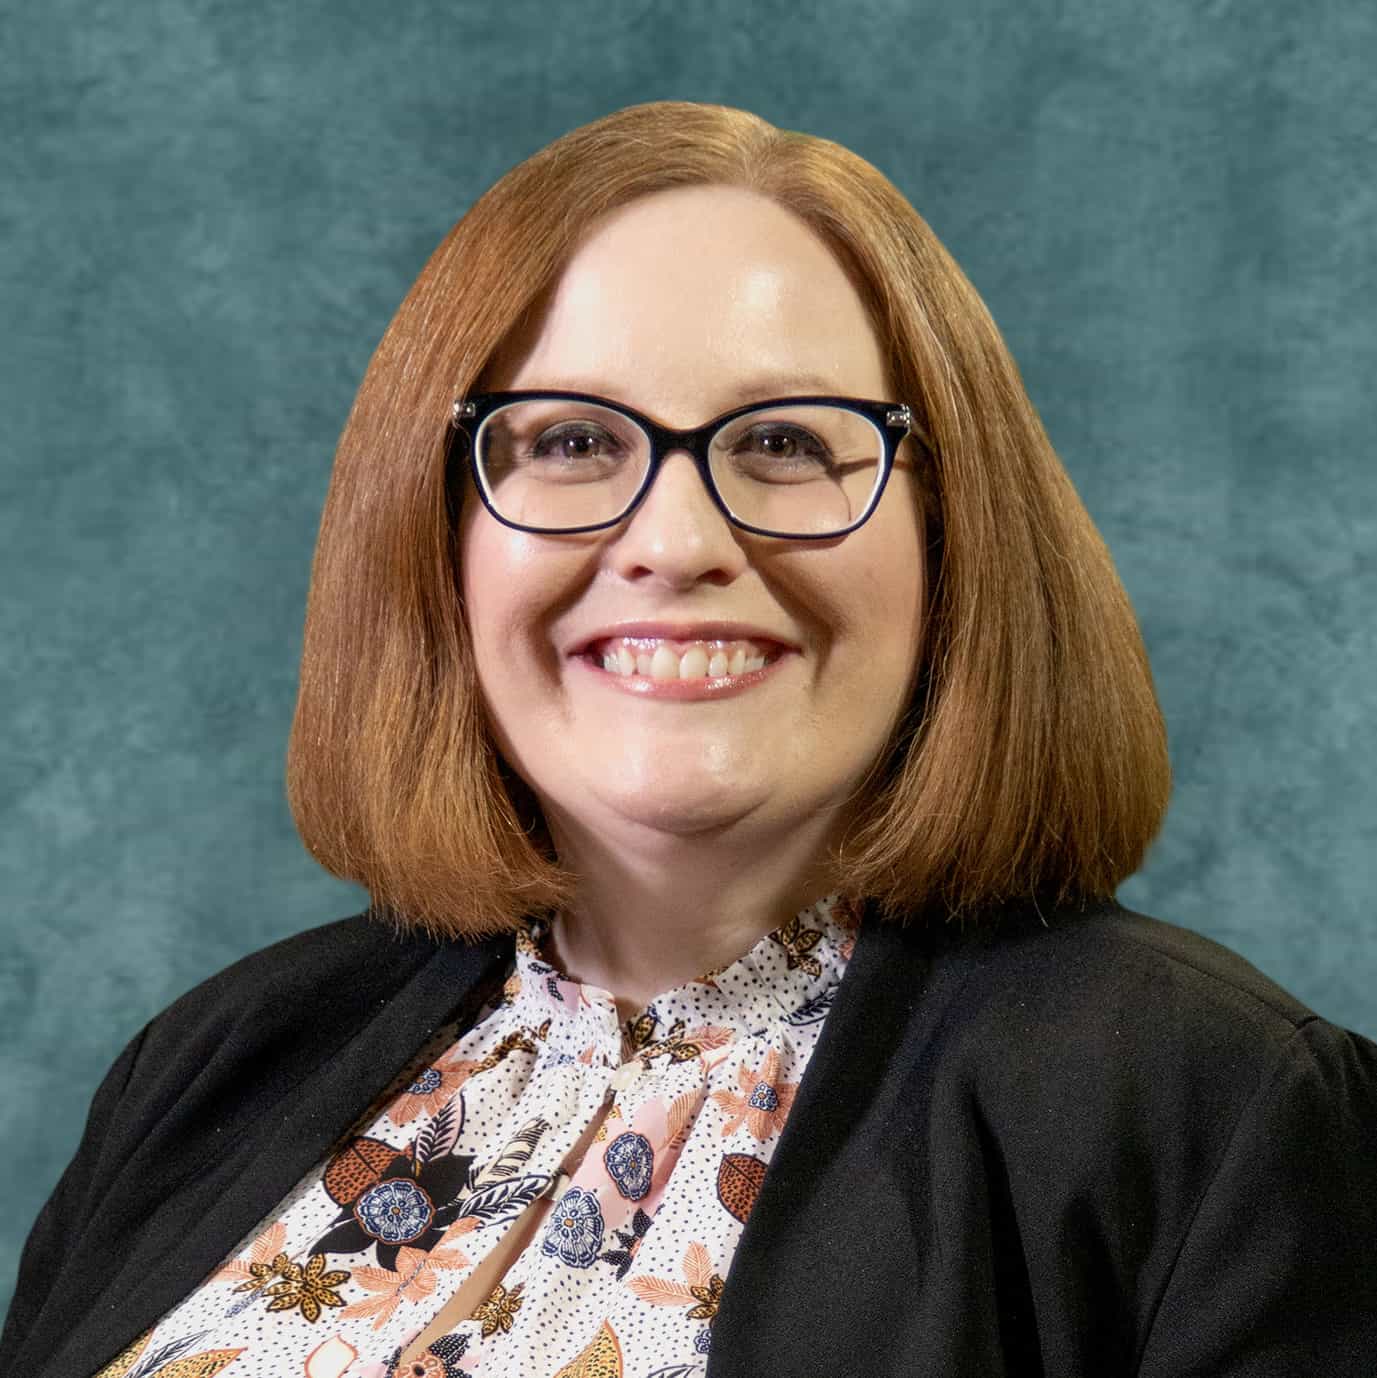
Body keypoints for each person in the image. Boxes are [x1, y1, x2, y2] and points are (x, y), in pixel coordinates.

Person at [3, 99, 1374, 1378]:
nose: (674, 542)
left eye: (783, 441)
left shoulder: (1214, 1107)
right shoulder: (215, 1056)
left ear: (951, 533)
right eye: (568, 442)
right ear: (435, 537)